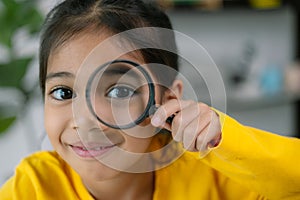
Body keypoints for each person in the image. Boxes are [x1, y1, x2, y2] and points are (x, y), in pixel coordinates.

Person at [1, 0, 300, 199]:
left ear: (168, 100)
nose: (85, 120)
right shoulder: (33, 187)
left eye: (120, 91)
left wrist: (228, 140)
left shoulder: (215, 177)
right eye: (63, 93)